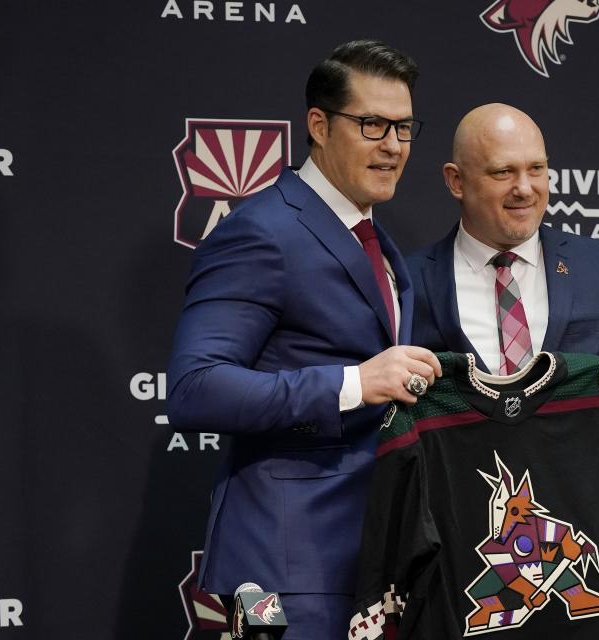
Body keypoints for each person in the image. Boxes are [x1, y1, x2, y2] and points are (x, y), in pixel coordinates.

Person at [167, 40, 441, 639]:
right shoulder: (262, 231)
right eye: (371, 124)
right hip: (284, 564)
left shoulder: (375, 239)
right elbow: (193, 387)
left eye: (403, 127)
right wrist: (354, 382)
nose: (392, 145)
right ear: (318, 125)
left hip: (368, 556)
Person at [406, 103, 599, 639]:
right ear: (455, 180)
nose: (525, 188)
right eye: (503, 172)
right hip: (469, 584)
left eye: (538, 169)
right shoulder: (406, 283)